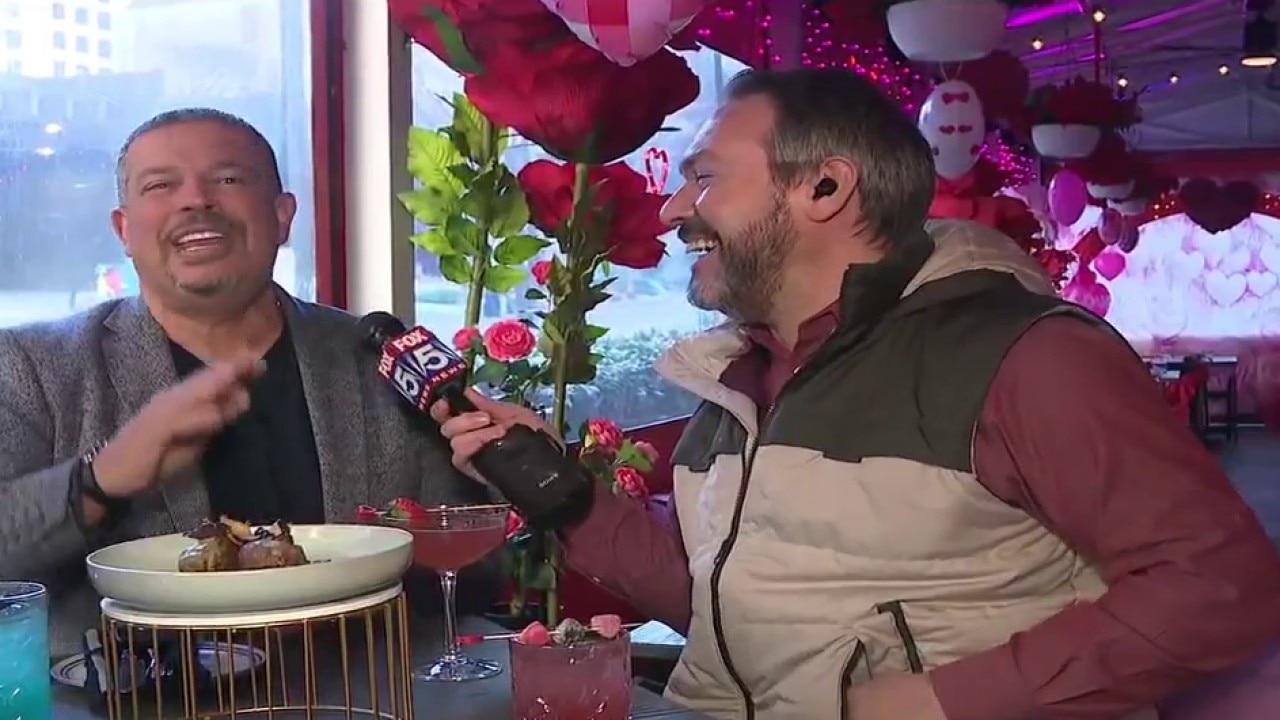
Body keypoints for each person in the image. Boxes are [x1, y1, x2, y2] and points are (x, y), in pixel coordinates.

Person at [433, 68, 1280, 720]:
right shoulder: (734, 378)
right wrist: (561, 491)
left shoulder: (1025, 356)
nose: (672, 209)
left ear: (826, 188)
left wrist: (942, 701)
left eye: (705, 176)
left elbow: (1221, 587)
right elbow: (724, 609)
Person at [0, 108, 495, 657]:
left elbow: (474, 567)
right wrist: (102, 480)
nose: (196, 200)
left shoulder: (378, 357)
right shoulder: (33, 366)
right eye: (161, 185)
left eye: (229, 179)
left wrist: (509, 476)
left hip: (367, 685)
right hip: (134, 695)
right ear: (124, 230)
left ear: (283, 217)